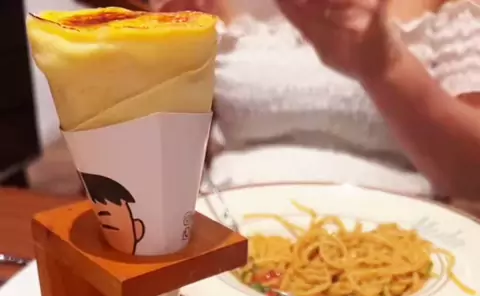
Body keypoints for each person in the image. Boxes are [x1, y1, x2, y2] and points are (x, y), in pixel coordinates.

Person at [153, 0, 480, 198]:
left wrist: (386, 67)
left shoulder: (446, 7)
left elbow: (472, 179)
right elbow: (163, 159)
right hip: (229, 238)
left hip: (402, 250)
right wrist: (166, 59)